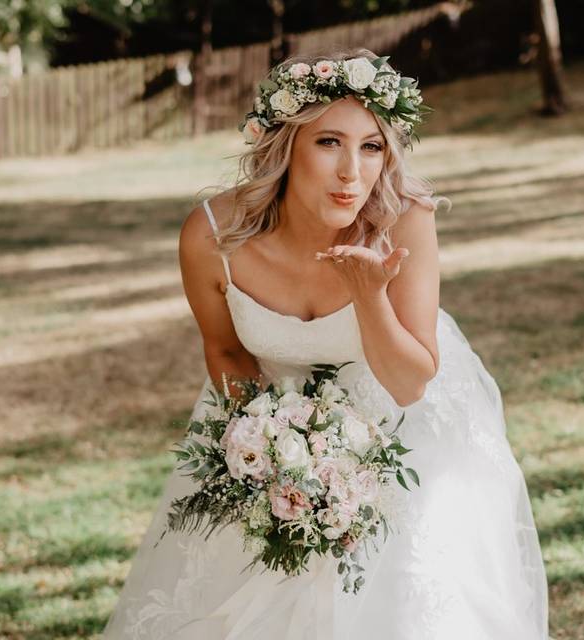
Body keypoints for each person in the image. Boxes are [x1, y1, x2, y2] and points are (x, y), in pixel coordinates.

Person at [102, 48, 549, 639]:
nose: (352, 174)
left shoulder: (405, 219)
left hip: (400, 428)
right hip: (267, 421)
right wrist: (272, 453)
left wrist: (368, 295)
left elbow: (411, 382)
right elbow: (228, 352)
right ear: (285, 147)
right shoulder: (212, 235)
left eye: (371, 147)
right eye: (329, 143)